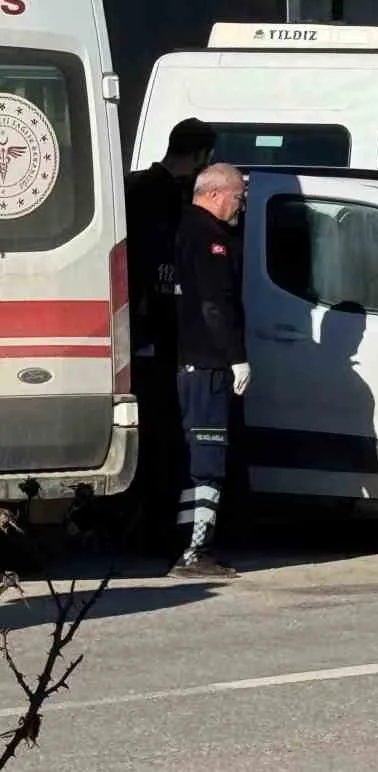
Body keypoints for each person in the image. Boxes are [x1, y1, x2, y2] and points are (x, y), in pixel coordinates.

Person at [123, 118, 216, 554]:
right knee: (164, 439)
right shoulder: (162, 195)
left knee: (158, 438)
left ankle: (142, 526)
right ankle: (151, 530)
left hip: (146, 334)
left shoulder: (134, 188)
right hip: (158, 337)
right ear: (200, 156)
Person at [169, 163, 249, 578]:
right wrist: (236, 356)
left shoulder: (181, 230)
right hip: (208, 365)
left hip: (186, 363)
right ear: (216, 193)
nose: (241, 205)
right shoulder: (210, 238)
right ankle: (195, 550)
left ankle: (187, 544)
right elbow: (216, 304)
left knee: (193, 459)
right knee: (208, 460)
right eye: (238, 196)